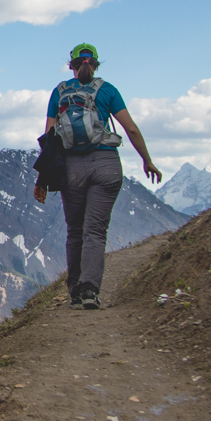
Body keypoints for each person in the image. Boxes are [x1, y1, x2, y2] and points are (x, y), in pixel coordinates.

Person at [34, 43, 161, 310]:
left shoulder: (59, 93)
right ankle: (90, 290)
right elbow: (131, 130)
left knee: (75, 231)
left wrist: (43, 179)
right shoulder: (108, 91)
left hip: (71, 169)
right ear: (96, 64)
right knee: (95, 231)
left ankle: (75, 292)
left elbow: (49, 139)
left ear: (71, 65)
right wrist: (146, 160)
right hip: (106, 165)